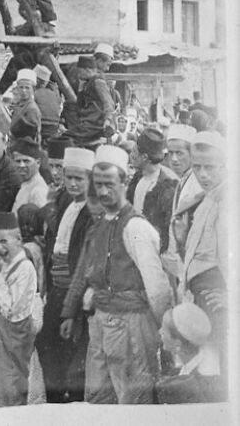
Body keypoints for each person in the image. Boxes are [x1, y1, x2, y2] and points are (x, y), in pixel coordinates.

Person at [61, 144, 174, 404]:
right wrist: (69, 311)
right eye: (98, 184)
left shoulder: (135, 226)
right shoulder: (99, 224)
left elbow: (157, 286)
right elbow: (83, 271)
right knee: (99, 397)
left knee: (133, 400)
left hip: (132, 322)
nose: (102, 191)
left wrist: (161, 327)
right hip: (101, 322)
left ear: (124, 183)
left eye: (109, 184)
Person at [37, 146, 94, 403]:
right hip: (56, 287)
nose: (71, 182)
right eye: (68, 176)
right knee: (47, 347)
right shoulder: (63, 201)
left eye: (78, 178)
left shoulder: (92, 211)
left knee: (73, 358)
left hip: (75, 290)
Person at [181, 131, 227, 382]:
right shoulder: (206, 198)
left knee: (219, 375)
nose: (203, 174)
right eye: (197, 167)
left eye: (210, 167)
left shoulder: (230, 200)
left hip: (217, 304)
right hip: (201, 302)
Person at [0, 211, 39, 407]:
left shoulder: (25, 268)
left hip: (13, 334)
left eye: (3, 241)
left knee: (10, 389)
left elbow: (12, 309)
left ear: (18, 239)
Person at [161, 123, 203, 286]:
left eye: (179, 153)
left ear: (192, 153)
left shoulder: (197, 184)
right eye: (170, 153)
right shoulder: (183, 180)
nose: (174, 159)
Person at [156, 303, 223, 403]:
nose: (159, 332)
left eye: (164, 330)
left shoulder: (197, 383)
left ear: (178, 344)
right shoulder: (194, 361)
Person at [127, 126, 179, 253]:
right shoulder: (138, 176)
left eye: (134, 152)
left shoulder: (167, 186)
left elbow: (170, 236)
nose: (131, 155)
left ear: (144, 157)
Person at [69, 49, 116, 146]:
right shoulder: (87, 83)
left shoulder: (98, 82)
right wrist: (81, 88)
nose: (78, 75)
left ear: (87, 70)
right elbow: (79, 106)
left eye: (80, 72)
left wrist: (107, 120)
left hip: (94, 125)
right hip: (88, 123)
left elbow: (108, 103)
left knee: (64, 140)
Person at [11, 137, 49, 212]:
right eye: (18, 161)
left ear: (38, 163)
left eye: (26, 161)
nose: (22, 165)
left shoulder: (38, 191)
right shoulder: (26, 184)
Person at [9, 67, 42, 141]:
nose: (24, 91)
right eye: (21, 87)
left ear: (33, 89)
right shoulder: (19, 104)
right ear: (17, 88)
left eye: (27, 88)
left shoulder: (31, 109)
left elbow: (32, 135)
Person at [33, 63, 62, 142]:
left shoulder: (35, 93)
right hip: (54, 128)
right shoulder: (55, 93)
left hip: (41, 127)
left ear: (37, 80)